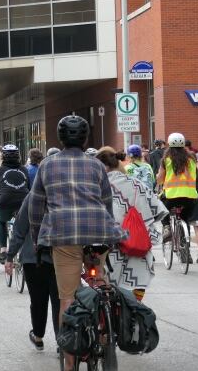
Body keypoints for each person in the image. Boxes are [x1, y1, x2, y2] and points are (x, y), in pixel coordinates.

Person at [27, 115, 122, 371]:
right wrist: (109, 235)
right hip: (97, 232)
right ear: (85, 139)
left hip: (63, 235)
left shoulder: (47, 165)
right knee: (99, 279)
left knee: (66, 297)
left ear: (60, 138)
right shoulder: (97, 166)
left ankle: (69, 363)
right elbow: (107, 203)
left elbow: (36, 206)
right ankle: (105, 336)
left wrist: (37, 239)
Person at [96, 147, 168, 301]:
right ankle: (134, 310)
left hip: (108, 246)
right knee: (138, 277)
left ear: (102, 167)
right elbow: (158, 211)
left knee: (103, 282)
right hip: (137, 245)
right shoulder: (137, 185)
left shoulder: (97, 187)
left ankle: (108, 316)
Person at [5, 196, 60, 351]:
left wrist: (10, 256)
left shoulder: (32, 197)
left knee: (38, 301)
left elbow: (20, 229)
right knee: (60, 301)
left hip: (32, 257)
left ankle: (38, 336)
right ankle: (62, 340)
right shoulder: (65, 193)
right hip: (60, 257)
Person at [157, 133, 198, 264]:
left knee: (160, 207)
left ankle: (167, 226)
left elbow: (160, 178)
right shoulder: (191, 160)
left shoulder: (166, 160)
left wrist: (160, 180)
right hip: (190, 198)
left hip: (171, 197)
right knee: (184, 220)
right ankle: (186, 253)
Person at [0, 144, 30, 262]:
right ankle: (25, 248)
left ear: (3, 157)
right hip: (23, 200)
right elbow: (29, 187)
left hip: (5, 201)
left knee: (1, 222)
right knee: (25, 224)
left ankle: (3, 250)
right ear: (19, 156)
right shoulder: (24, 169)